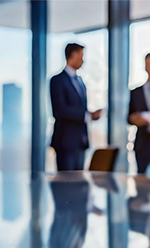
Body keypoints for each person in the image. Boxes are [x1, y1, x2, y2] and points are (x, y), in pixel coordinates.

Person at [50, 43, 103, 171]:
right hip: (66, 142)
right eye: (81, 56)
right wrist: (86, 116)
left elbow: (80, 108)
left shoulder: (80, 81)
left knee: (79, 183)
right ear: (73, 55)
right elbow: (59, 110)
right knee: (66, 184)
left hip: (81, 141)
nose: (83, 61)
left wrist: (91, 115)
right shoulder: (57, 80)